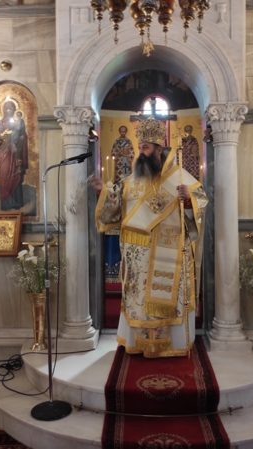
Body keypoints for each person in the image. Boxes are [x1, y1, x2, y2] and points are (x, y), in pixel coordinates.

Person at [90, 117, 208, 358]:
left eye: (146, 147)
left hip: (169, 251)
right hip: (138, 256)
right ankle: (140, 343)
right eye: (140, 147)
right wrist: (104, 192)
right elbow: (116, 209)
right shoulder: (132, 180)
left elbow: (201, 203)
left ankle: (172, 344)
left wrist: (188, 200)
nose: (141, 152)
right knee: (140, 301)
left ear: (158, 148)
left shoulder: (179, 177)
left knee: (167, 299)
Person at [0, 99, 29, 210]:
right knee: (4, 174)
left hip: (15, 154)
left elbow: (22, 136)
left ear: (14, 110)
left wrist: (19, 140)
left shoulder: (17, 122)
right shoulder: (0, 123)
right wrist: (6, 139)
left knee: (16, 175)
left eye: (11, 108)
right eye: (7, 108)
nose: (9, 110)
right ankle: (6, 202)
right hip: (4, 154)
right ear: (3, 110)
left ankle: (16, 202)